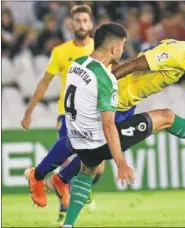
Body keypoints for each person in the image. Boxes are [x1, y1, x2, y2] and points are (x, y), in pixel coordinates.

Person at [25, 36, 185, 214]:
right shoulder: (177, 53)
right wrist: (105, 84)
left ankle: (60, 179)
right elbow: (135, 64)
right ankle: (39, 175)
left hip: (127, 104)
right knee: (80, 142)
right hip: (114, 98)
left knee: (97, 151)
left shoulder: (181, 56)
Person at [20, 4, 102, 224]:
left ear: (91, 24)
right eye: (78, 21)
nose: (82, 24)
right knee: (65, 162)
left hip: (94, 115)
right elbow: (45, 82)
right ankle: (63, 211)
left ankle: (80, 186)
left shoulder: (100, 48)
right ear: (71, 23)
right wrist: (29, 112)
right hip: (67, 114)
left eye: (85, 21)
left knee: (98, 165)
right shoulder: (61, 51)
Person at [60, 22, 131, 227]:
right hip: (91, 134)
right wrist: (121, 163)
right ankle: (59, 182)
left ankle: (68, 222)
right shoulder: (106, 79)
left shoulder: (77, 63)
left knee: (93, 170)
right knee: (157, 120)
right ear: (114, 48)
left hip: (74, 130)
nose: (123, 50)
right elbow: (108, 126)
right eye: (122, 45)